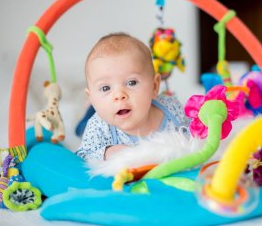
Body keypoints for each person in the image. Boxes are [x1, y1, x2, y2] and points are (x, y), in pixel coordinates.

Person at [76, 32, 190, 160]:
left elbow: (195, 132)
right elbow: (82, 155)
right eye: (105, 88)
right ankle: (89, 109)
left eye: (132, 82)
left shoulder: (172, 110)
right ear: (91, 97)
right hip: (97, 116)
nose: (119, 95)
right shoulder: (98, 127)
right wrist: (107, 153)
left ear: (154, 86)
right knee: (81, 128)